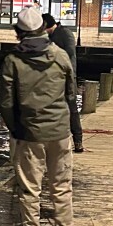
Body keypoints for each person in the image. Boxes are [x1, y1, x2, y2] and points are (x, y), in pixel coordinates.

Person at [0, 6, 77, 226]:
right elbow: (71, 93)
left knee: (30, 190)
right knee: (62, 188)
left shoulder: (13, 61)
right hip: (60, 132)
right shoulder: (61, 55)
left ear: (18, 33)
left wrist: (16, 128)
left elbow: (6, 103)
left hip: (29, 133)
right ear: (44, 28)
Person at [42, 13, 84, 153]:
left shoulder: (65, 34)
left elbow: (70, 54)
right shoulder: (49, 36)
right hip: (52, 79)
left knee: (72, 110)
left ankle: (78, 141)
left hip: (67, 77)